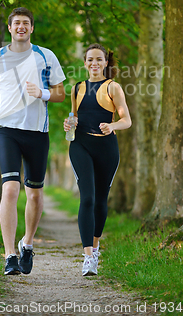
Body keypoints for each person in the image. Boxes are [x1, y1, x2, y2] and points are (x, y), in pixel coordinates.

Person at [0, 7, 66, 275]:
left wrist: (42, 93)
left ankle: (26, 243)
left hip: (37, 132)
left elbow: (61, 93)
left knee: (35, 194)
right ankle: (9, 255)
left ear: (31, 28)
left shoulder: (45, 55)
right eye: (17, 23)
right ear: (10, 27)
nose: (21, 27)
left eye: (26, 23)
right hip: (8, 130)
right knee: (10, 189)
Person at [64, 43, 131, 276]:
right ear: (85, 63)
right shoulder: (77, 88)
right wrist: (68, 123)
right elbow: (73, 117)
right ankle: (88, 257)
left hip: (106, 148)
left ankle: (96, 245)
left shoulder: (113, 87)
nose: (94, 64)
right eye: (90, 60)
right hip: (80, 145)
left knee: (101, 200)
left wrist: (112, 126)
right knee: (88, 198)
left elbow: (127, 120)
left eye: (99, 60)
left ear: (105, 63)